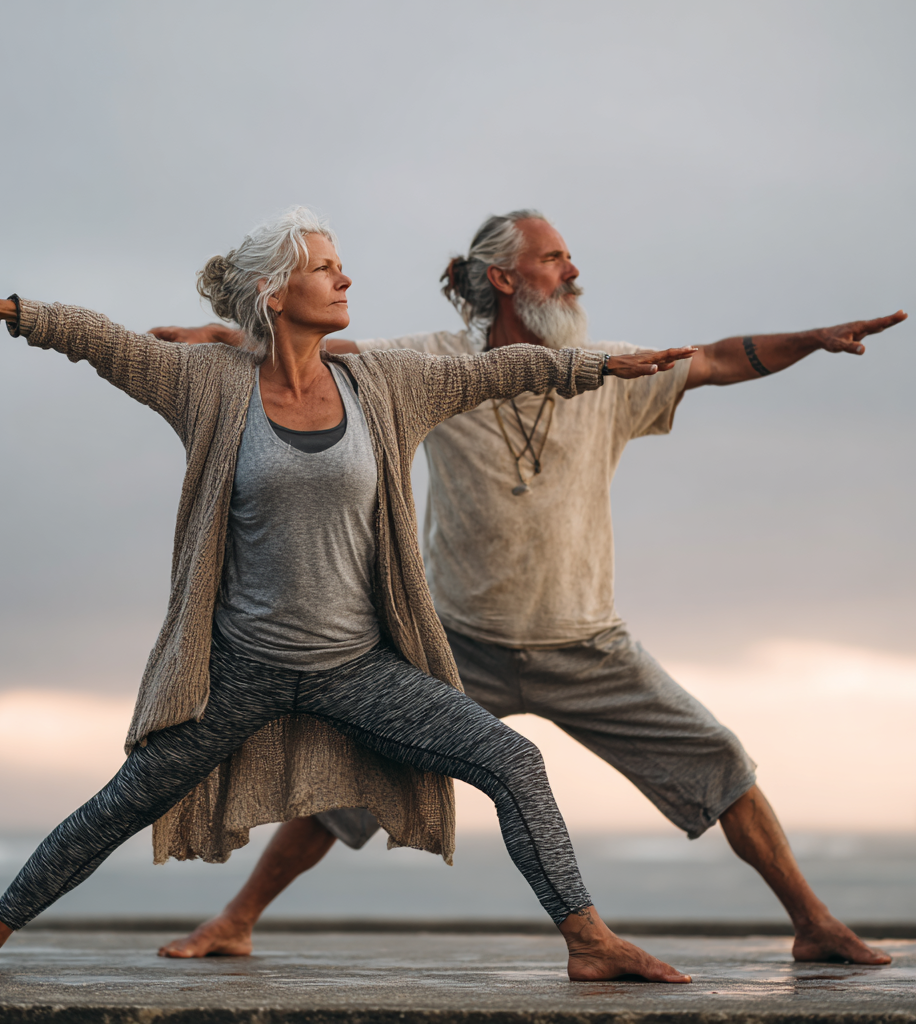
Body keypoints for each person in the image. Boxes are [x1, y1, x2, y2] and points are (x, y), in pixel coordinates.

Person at [0, 207, 698, 983]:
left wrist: (587, 366)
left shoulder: (382, 384)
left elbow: (492, 370)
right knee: (123, 802)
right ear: (274, 293)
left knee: (515, 764)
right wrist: (16, 312)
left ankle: (589, 942)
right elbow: (104, 343)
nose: (345, 276)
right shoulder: (207, 384)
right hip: (240, 671)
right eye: (324, 267)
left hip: (357, 669)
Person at [151, 209, 906, 966]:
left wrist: (808, 340)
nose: (573, 273)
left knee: (722, 765)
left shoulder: (613, 370)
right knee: (351, 784)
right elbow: (319, 355)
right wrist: (224, 339)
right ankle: (236, 920)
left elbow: (713, 359)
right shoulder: (434, 363)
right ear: (505, 279)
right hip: (460, 645)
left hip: (586, 644)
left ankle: (813, 924)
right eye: (554, 258)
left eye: (570, 258)